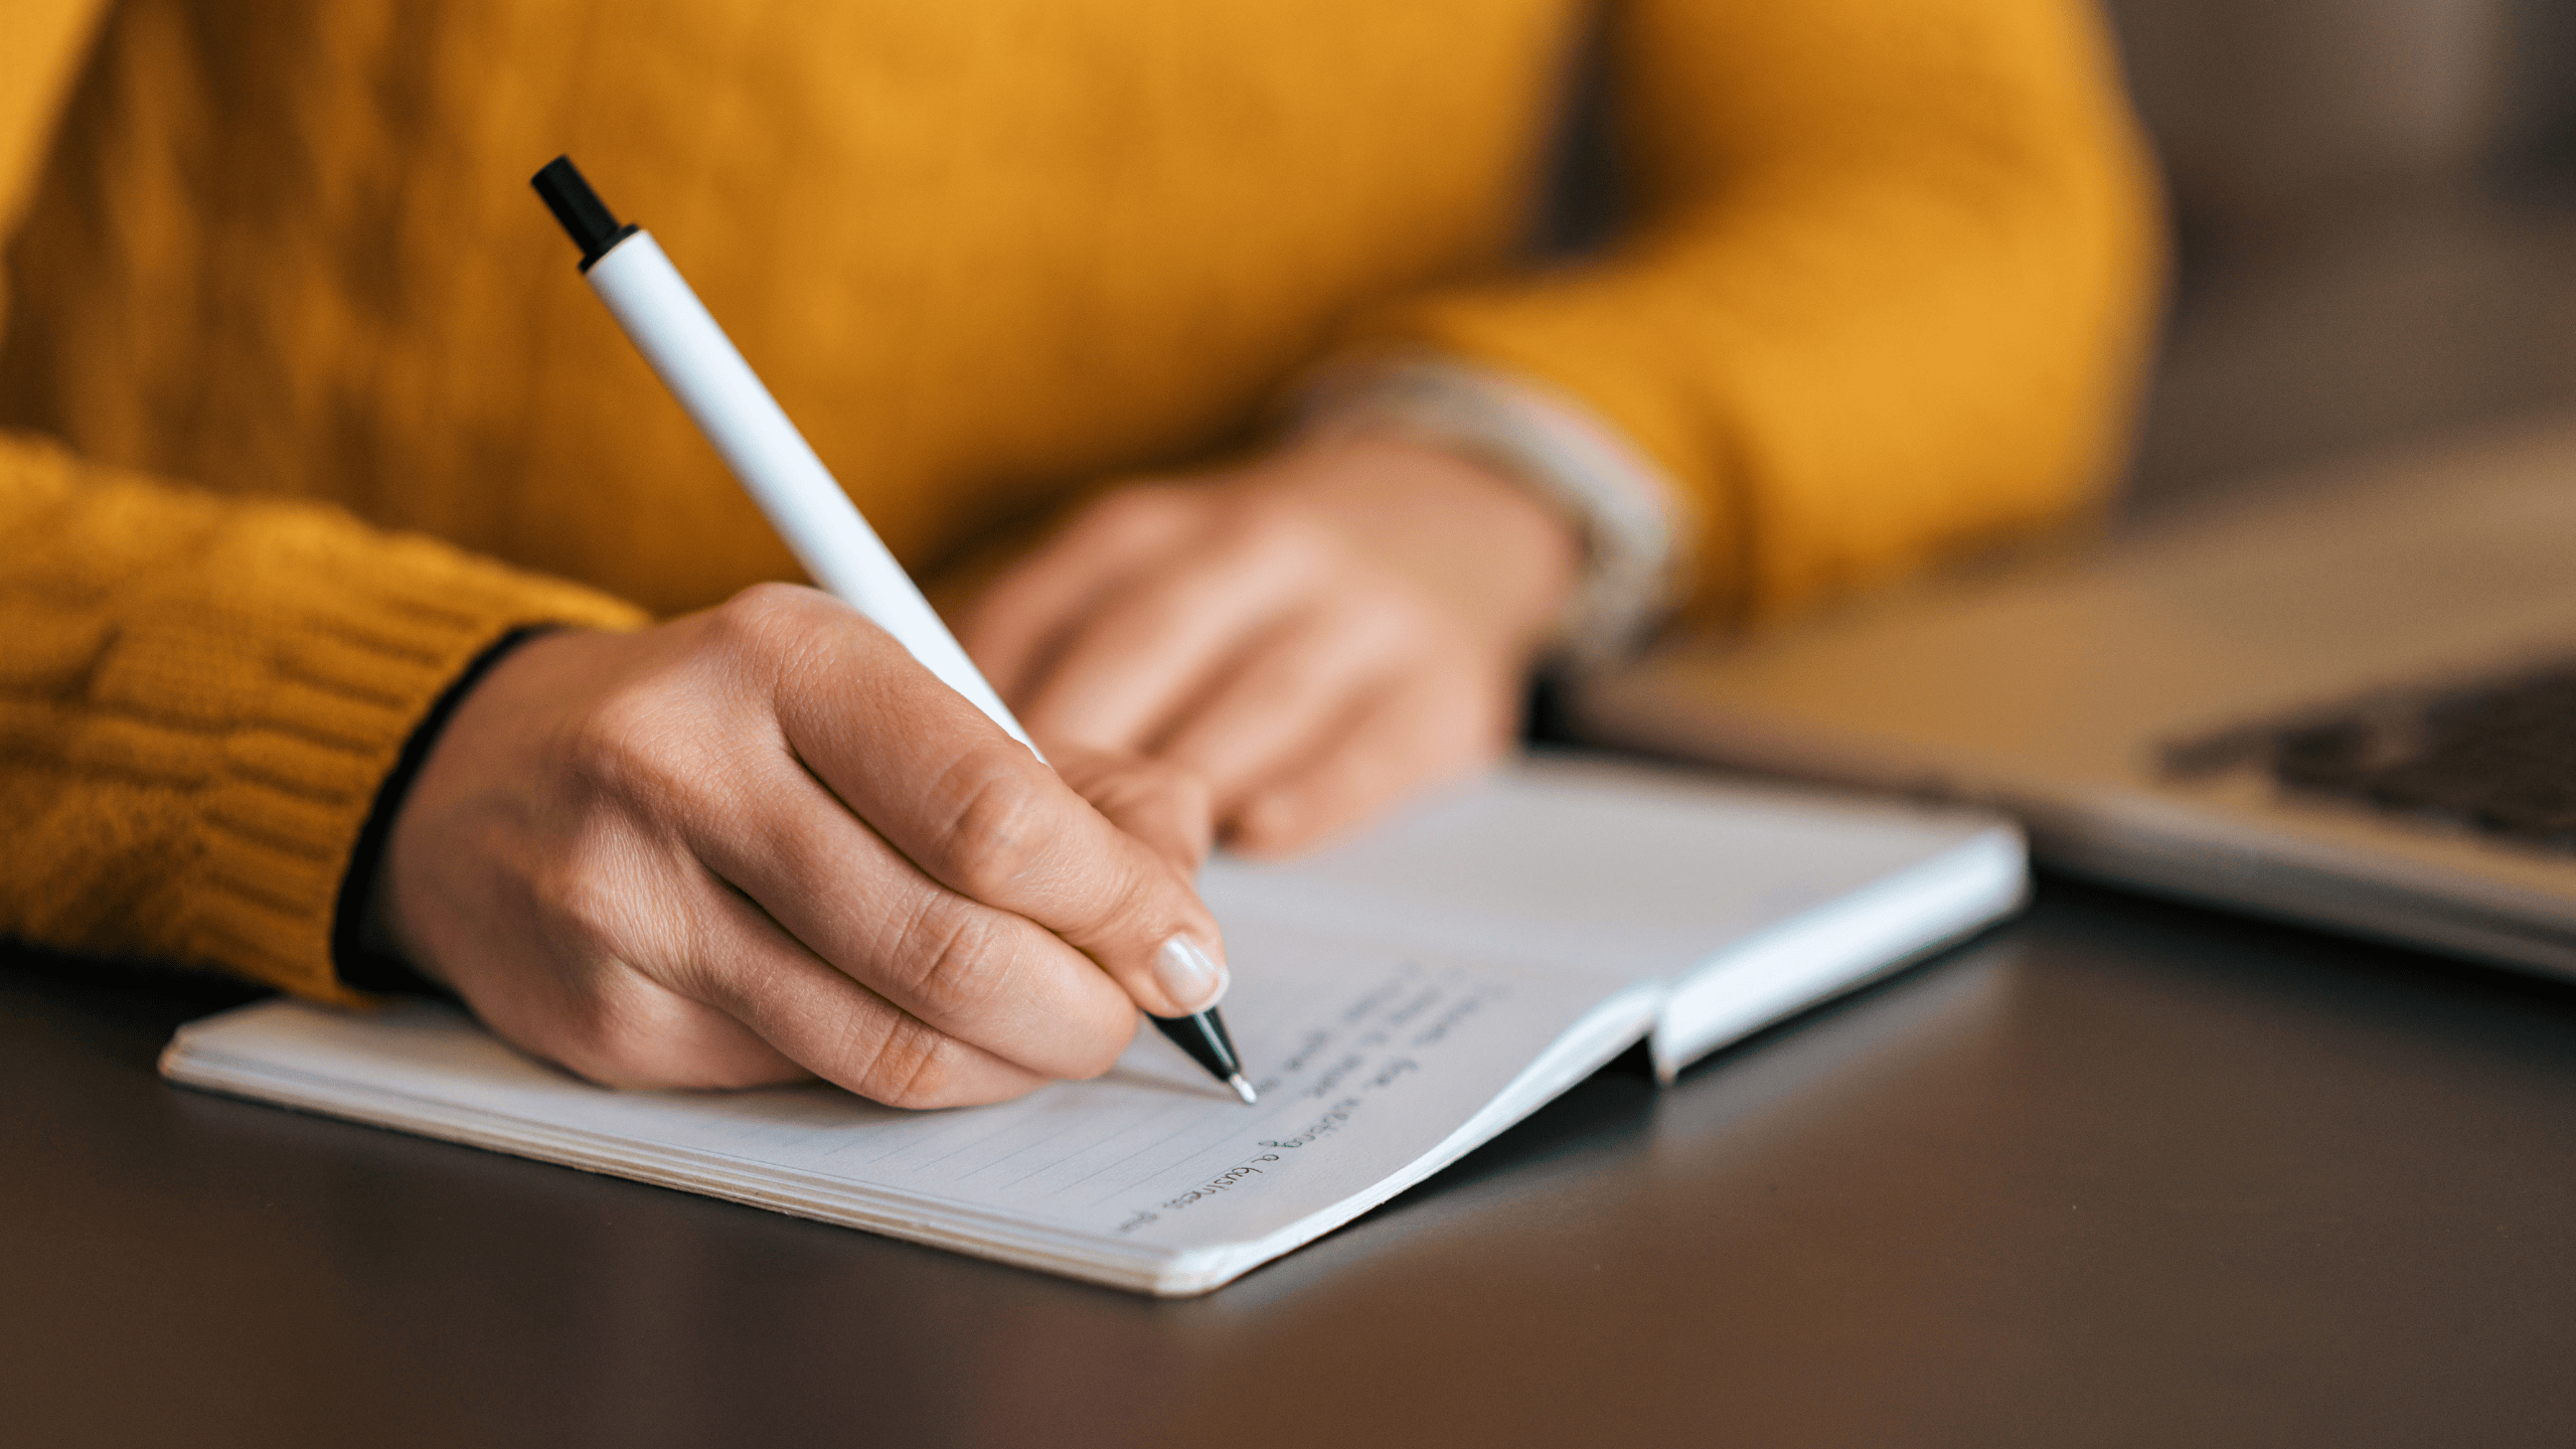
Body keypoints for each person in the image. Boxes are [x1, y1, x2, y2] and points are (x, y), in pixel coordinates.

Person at [0, 0, 2160, 1106]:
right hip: (221, 1038)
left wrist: (1492, 477)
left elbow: (1982, 190)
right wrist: (392, 730)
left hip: (1260, 828)